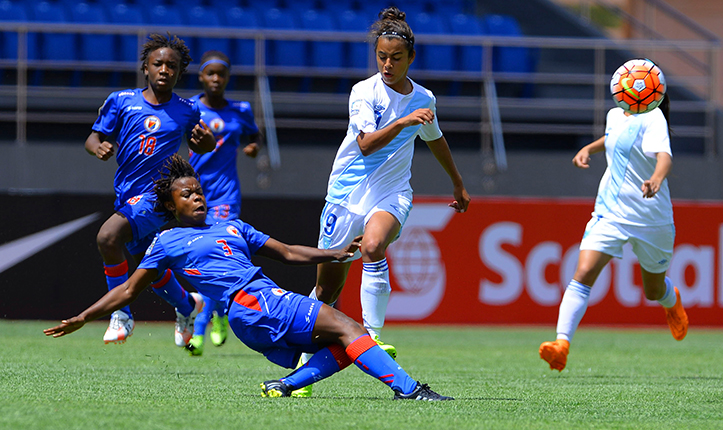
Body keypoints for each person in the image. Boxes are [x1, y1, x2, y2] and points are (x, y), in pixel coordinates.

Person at [44, 155, 454, 401]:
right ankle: (411, 390)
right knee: (351, 328)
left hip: (258, 309)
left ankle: (288, 384)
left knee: (347, 343)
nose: (197, 196)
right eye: (186, 194)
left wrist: (335, 252)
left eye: (199, 190)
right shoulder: (167, 240)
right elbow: (129, 289)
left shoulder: (232, 226)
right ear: (170, 206)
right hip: (254, 303)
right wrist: (85, 316)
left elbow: (289, 253)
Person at [295, 7, 470, 397]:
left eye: (395, 58)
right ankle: (303, 369)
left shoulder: (425, 97)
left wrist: (457, 183)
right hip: (345, 196)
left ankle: (372, 336)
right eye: (381, 57)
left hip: (392, 192)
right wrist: (406, 122)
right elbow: (366, 143)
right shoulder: (364, 92)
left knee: (374, 246)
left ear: (411, 58)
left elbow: (435, 139)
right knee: (326, 290)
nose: (387, 64)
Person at [539, 86, 688, 372]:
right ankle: (561, 344)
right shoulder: (614, 114)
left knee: (653, 291)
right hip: (610, 213)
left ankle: (673, 300)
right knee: (582, 274)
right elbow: (613, 138)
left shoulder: (654, 117)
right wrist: (588, 148)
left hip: (651, 217)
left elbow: (664, 157)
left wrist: (656, 179)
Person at [84, 33, 216, 346]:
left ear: (179, 72)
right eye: (158, 64)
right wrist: (98, 147)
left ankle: (122, 313)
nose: (165, 70)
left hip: (159, 197)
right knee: (151, 267)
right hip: (126, 195)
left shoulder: (187, 110)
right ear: (146, 67)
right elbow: (92, 137)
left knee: (107, 236)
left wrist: (206, 142)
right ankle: (188, 306)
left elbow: (208, 142)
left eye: (172, 66)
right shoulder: (121, 101)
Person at [184, 50, 263, 356]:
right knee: (204, 261)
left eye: (221, 74)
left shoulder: (240, 110)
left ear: (227, 77)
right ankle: (219, 314)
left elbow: (254, 136)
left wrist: (253, 147)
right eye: (210, 74)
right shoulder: (190, 108)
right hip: (195, 193)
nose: (216, 79)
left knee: (218, 253)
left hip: (226, 195)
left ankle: (201, 329)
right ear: (201, 77)